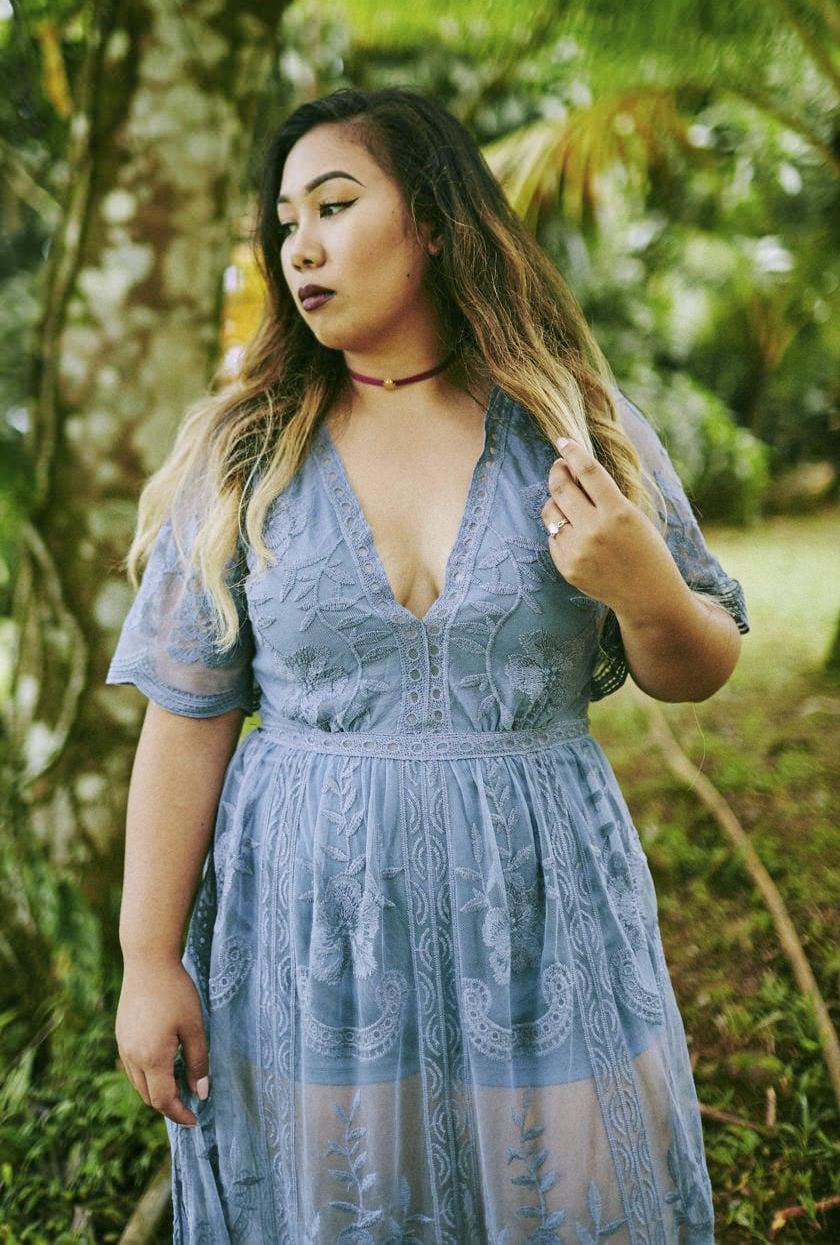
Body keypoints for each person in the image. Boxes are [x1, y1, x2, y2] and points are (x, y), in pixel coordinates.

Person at [107, 85, 749, 1244]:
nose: (300, 247)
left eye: (334, 205)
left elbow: (697, 664)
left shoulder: (572, 422)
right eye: (286, 222)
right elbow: (186, 719)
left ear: (437, 224)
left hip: (539, 910)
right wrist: (148, 962)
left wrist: (642, 585)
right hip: (314, 932)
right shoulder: (244, 452)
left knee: (568, 1197)